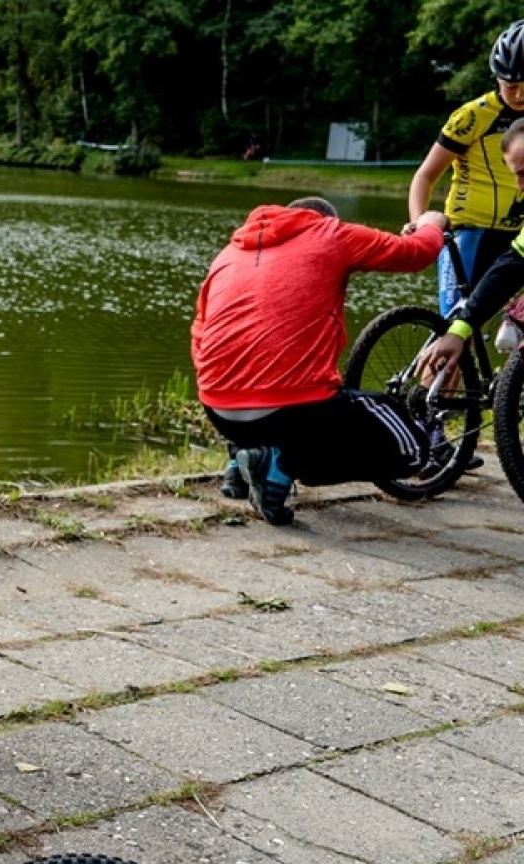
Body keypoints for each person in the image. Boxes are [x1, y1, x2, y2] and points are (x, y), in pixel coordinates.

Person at [190, 197, 447, 526]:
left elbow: (199, 335)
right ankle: (280, 464)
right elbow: (415, 253)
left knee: (285, 408)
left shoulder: (227, 254)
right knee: (414, 450)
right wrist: (430, 223)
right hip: (293, 409)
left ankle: (246, 455)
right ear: (326, 218)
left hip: (218, 408)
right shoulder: (331, 233)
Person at [406, 21, 524, 316]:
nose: (520, 95)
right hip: (469, 232)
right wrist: (418, 221)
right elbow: (426, 175)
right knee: (453, 324)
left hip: (516, 235)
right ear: (497, 78)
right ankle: (439, 363)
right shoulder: (473, 116)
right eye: (512, 87)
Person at [416, 119, 524, 383]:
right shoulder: (473, 115)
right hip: (471, 230)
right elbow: (511, 268)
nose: (520, 186)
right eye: (516, 175)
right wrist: (459, 330)